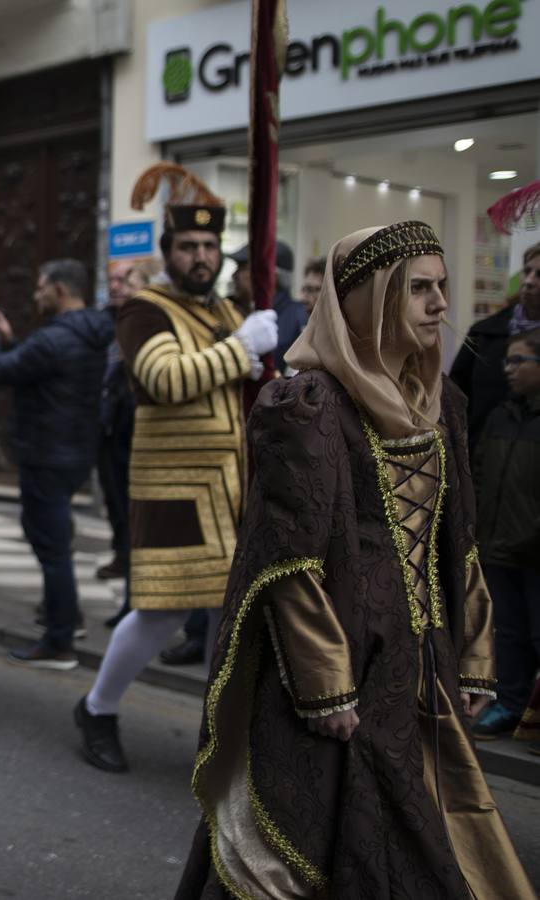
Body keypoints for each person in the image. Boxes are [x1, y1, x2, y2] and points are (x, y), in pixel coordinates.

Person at [176, 221, 536, 900]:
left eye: (441, 288)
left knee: (430, 835)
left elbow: (456, 541)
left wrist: (475, 657)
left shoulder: (442, 405)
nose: (438, 305)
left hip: (419, 660)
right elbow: (287, 563)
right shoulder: (307, 407)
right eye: (418, 290)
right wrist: (325, 685)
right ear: (370, 301)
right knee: (327, 838)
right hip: (340, 663)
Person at [72, 164, 278, 773]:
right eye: (189, 246)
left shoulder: (228, 311)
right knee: (161, 611)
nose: (201, 255)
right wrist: (241, 351)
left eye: (210, 246)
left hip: (236, 485)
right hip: (175, 486)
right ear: (169, 253)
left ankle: (222, 730)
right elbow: (161, 380)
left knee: (232, 611)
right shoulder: (145, 308)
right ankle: (98, 707)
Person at [0, 259, 113, 667]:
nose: (36, 295)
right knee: (56, 540)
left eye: (40, 288)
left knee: (51, 548)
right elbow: (37, 371)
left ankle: (59, 639)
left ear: (60, 291)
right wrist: (11, 337)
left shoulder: (54, 339)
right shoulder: (90, 333)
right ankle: (63, 617)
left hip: (46, 454)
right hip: (74, 452)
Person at [469, 327, 540, 740]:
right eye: (507, 361)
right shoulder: (501, 414)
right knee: (508, 632)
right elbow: (479, 470)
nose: (509, 369)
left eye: (519, 361)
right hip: (498, 544)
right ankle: (510, 703)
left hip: (533, 549)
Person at [451, 242, 540, 453]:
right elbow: (454, 396)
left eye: (539, 275)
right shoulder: (484, 333)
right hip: (482, 460)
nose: (528, 281)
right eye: (527, 271)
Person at [98, 261, 147, 587]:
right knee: (114, 497)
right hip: (108, 424)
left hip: (134, 425)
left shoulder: (146, 322)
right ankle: (122, 554)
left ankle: (133, 569)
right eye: (114, 280)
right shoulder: (104, 321)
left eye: (125, 281)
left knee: (134, 506)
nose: (118, 287)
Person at [229, 241, 307, 370]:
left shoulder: (298, 317)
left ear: (270, 276)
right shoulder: (232, 310)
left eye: (242, 268)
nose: (234, 275)